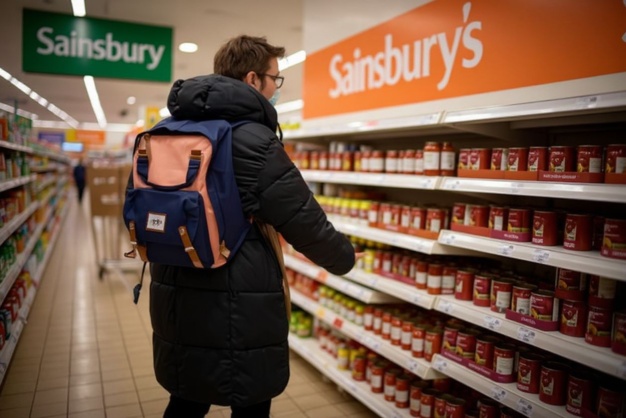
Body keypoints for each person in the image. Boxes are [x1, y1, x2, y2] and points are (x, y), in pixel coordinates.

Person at [150, 35, 357, 418]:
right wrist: (345, 258)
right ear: (252, 79)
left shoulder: (173, 128)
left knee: (186, 399)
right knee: (249, 402)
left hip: (175, 283)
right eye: (275, 80)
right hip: (239, 297)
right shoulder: (254, 139)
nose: (277, 89)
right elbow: (303, 219)